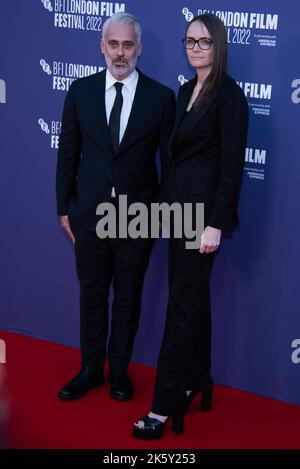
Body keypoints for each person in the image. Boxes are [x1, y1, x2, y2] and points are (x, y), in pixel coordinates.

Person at [133, 13, 248, 439]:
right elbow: (176, 160)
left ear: (219, 46)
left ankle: (163, 406)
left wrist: (216, 224)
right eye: (189, 41)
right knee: (191, 300)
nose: (195, 48)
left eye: (203, 42)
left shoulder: (230, 98)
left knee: (182, 305)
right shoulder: (184, 92)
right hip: (176, 214)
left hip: (202, 222)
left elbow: (231, 168)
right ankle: (198, 377)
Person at [56, 12, 175, 402]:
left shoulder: (161, 98)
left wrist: (158, 213)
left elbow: (169, 164)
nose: (120, 52)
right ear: (102, 46)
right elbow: (68, 155)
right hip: (88, 215)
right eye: (113, 44)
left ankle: (119, 371)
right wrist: (64, 209)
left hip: (136, 218)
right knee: (91, 295)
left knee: (127, 297)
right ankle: (90, 369)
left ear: (139, 49)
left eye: (127, 45)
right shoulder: (80, 91)